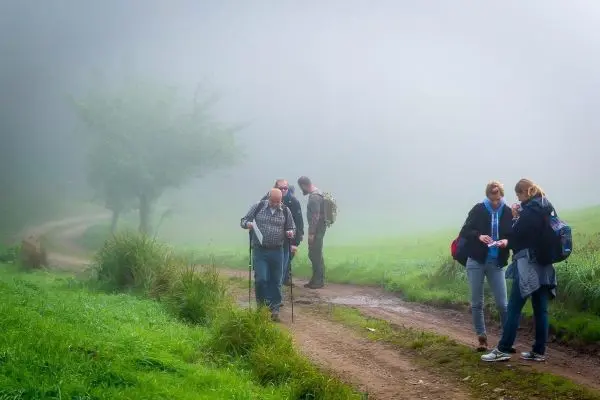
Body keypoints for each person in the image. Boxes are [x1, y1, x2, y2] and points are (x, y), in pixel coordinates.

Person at [481, 179, 558, 362]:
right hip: (544, 264)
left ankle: (503, 349)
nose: (518, 198)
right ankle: (539, 352)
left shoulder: (530, 210)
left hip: (528, 264)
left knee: (514, 306)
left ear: (524, 192)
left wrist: (515, 216)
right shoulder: (546, 205)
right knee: (541, 309)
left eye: (518, 195)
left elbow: (516, 237)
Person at [459, 181, 513, 351]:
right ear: (487, 196)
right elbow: (465, 231)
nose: (495, 202)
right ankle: (482, 338)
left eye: (497, 199)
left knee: (503, 304)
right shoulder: (478, 209)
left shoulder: (509, 211)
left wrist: (507, 241)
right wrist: (479, 236)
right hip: (476, 260)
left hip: (496, 262)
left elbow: (514, 234)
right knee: (477, 302)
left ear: (501, 195)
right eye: (492, 199)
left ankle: (507, 340)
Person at [240, 188, 296, 322]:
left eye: (279, 201)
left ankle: (275, 308)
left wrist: (290, 233)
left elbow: (292, 227)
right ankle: (261, 306)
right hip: (260, 250)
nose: (276, 204)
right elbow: (243, 221)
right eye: (274, 201)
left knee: (277, 281)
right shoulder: (258, 206)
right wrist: (248, 224)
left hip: (277, 250)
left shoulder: (286, 211)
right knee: (261, 279)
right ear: (269, 198)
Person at [260, 179, 304, 287]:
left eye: (286, 188)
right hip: (269, 238)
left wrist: (295, 243)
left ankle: (282, 281)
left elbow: (298, 222)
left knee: (285, 262)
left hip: (287, 237)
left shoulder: (293, 201)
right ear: (275, 188)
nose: (284, 190)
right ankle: (271, 282)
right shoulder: (265, 200)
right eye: (281, 188)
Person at [297, 176, 327, 289]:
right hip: (321, 228)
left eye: (301, 187)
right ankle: (316, 279)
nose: (301, 190)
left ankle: (318, 281)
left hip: (317, 229)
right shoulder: (319, 193)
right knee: (316, 253)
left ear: (303, 185)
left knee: (315, 254)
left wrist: (311, 234)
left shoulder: (314, 197)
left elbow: (315, 216)